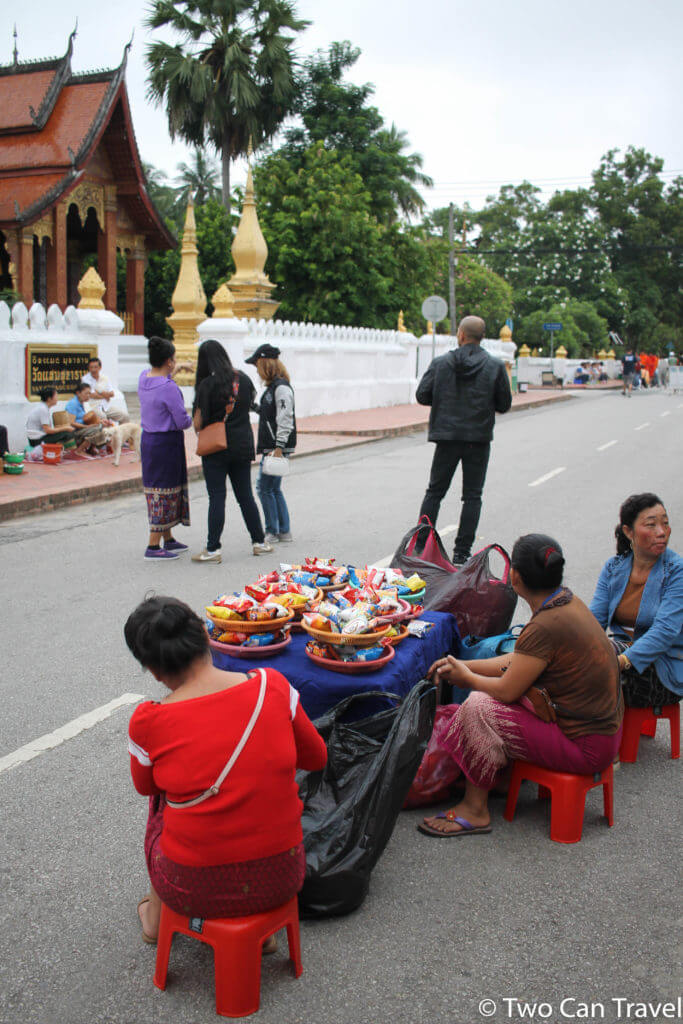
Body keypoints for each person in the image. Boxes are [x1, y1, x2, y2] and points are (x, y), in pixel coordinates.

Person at [125, 595, 327, 944]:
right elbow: (316, 758)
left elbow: (145, 787)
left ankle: (157, 920)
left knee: (162, 800)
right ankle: (262, 933)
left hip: (192, 887)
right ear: (207, 637)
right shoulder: (272, 687)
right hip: (283, 875)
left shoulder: (148, 721)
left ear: (153, 671)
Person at [418, 534, 623, 837]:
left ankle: (475, 809)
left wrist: (467, 678)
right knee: (501, 695)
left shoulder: (545, 625)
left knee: (478, 706)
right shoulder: (565, 601)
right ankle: (500, 779)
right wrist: (464, 665)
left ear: (515, 576)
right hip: (601, 735)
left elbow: (506, 689)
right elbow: (519, 661)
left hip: (586, 746)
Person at [416, 315, 512, 566]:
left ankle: (420, 545)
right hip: (477, 439)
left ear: (460, 335)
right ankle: (461, 552)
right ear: (481, 337)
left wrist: (444, 398)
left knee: (435, 491)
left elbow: (422, 394)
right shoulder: (495, 366)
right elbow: (504, 404)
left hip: (446, 437)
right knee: (472, 496)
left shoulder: (441, 363)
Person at [590, 493, 682, 710]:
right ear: (628, 531)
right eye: (651, 525)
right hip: (621, 656)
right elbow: (594, 621)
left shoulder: (677, 571)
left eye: (665, 524)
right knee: (566, 659)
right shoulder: (614, 568)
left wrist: (620, 661)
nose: (661, 532)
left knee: (582, 678)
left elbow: (665, 632)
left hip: (663, 670)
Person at [191, 339, 272, 563]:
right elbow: (249, 406)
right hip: (241, 445)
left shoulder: (206, 385)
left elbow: (197, 424)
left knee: (217, 497)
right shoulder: (243, 380)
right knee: (245, 496)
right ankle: (259, 542)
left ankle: (213, 548)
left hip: (215, 448)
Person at [137, 337, 193, 560]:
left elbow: (161, 376)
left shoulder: (144, 378)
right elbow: (181, 420)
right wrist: (192, 419)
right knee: (164, 491)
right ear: (169, 361)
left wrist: (176, 368)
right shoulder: (169, 387)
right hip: (166, 442)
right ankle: (153, 545)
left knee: (160, 488)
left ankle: (167, 538)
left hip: (149, 440)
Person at [246, 343, 296, 545]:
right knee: (273, 488)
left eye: (257, 364)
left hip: (277, 446)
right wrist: (255, 408)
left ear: (265, 363)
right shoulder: (273, 388)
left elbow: (285, 418)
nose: (256, 370)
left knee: (263, 488)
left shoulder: (281, 388)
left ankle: (272, 531)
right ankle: (283, 530)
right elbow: (271, 415)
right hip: (275, 444)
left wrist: (279, 447)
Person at [82, 357, 130, 423]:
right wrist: (105, 396)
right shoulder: (85, 379)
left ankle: (121, 433)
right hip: (93, 407)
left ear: (100, 368)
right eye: (91, 367)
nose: (93, 369)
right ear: (88, 368)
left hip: (106, 406)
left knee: (125, 416)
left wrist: (99, 392)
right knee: (103, 417)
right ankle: (106, 433)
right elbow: (92, 395)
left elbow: (112, 393)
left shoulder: (105, 378)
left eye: (95, 367)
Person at [64, 382, 111, 452]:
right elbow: (71, 423)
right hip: (75, 432)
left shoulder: (83, 403)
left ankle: (92, 448)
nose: (88, 395)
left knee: (105, 427)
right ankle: (79, 451)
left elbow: (88, 419)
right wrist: (87, 427)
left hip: (83, 429)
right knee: (97, 429)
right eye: (86, 393)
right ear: (78, 393)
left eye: (89, 393)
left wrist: (101, 422)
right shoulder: (73, 404)